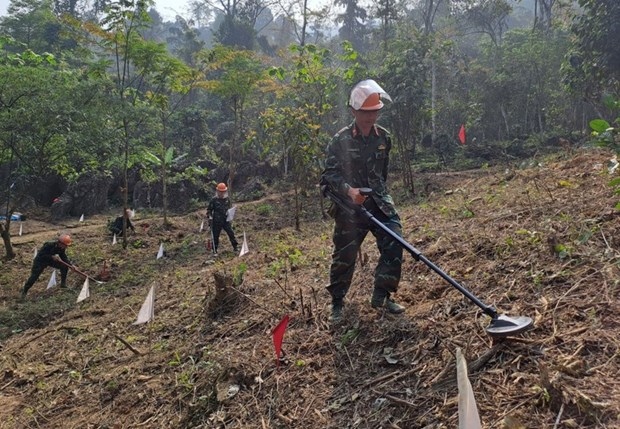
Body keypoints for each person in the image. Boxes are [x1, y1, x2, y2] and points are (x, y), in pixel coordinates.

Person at [320, 79, 405, 323]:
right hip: (350, 208)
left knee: (394, 239)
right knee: (344, 256)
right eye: (366, 113)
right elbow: (329, 176)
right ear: (354, 111)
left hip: (378, 202)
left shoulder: (384, 138)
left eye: (375, 112)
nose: (371, 117)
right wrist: (349, 191)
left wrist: (377, 194)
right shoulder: (341, 140)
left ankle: (382, 295)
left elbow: (383, 173)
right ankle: (337, 303)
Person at [21, 233, 74, 299]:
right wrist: (51, 256)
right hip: (40, 261)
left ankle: (63, 284)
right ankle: (25, 290)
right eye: (65, 245)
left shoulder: (61, 248)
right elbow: (41, 255)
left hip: (50, 261)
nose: (66, 247)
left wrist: (70, 265)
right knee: (34, 276)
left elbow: (63, 257)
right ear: (60, 243)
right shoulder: (49, 245)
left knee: (64, 266)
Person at [206, 183, 239, 254]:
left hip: (226, 220)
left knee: (231, 233)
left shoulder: (227, 199)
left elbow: (230, 208)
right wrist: (210, 217)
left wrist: (231, 213)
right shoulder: (214, 200)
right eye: (220, 191)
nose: (221, 193)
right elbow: (209, 210)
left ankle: (235, 247)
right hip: (216, 221)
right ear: (217, 191)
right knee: (215, 236)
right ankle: (214, 250)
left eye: (223, 191)